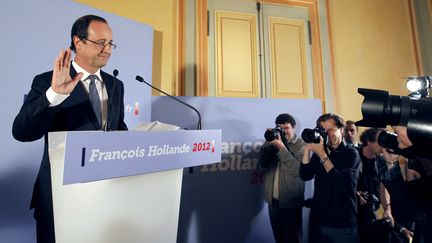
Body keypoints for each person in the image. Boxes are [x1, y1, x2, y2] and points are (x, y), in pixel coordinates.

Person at [12, 15, 128, 243]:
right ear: (78, 42)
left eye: (110, 43)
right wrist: (55, 95)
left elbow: (118, 130)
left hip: (105, 198)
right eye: (100, 42)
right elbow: (22, 132)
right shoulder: (47, 82)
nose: (107, 49)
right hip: (59, 198)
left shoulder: (116, 85)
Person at [300, 113, 360, 243]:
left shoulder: (351, 153)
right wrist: (307, 149)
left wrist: (322, 154)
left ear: (341, 130)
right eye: (324, 131)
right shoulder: (321, 151)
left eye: (330, 130)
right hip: (318, 220)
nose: (327, 134)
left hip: (341, 223)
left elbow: (343, 184)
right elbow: (305, 175)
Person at [259, 113, 305, 243]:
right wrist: (269, 143)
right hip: (273, 202)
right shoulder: (273, 141)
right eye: (280, 128)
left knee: (293, 239)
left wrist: (282, 148)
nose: (284, 132)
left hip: (291, 202)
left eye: (286, 128)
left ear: (293, 128)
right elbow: (263, 164)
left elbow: (297, 170)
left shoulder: (301, 144)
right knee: (279, 239)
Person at [356, 128, 394, 243]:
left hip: (372, 212)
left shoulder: (380, 160)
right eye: (380, 142)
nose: (384, 146)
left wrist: (387, 209)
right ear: (368, 141)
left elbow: (383, 187)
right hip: (353, 214)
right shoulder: (354, 155)